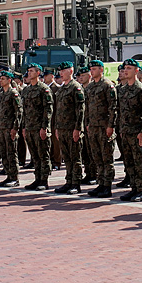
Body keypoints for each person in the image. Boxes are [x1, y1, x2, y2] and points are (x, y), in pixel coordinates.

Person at [116, 59, 142, 202]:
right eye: (125, 68)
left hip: (137, 133)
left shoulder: (141, 89)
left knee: (139, 163)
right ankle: (133, 188)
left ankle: (141, 190)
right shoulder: (124, 90)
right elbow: (120, 111)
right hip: (126, 132)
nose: (126, 70)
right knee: (129, 162)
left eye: (130, 68)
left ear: (136, 71)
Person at [85, 60, 118, 198]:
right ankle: (101, 183)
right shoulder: (90, 86)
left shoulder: (107, 85)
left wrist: (111, 125)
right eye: (91, 69)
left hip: (104, 127)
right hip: (93, 127)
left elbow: (113, 107)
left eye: (94, 69)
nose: (92, 71)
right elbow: (87, 107)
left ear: (101, 70)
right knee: (97, 157)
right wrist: (87, 123)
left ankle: (107, 186)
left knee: (106, 158)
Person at [53, 61, 85, 194]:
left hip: (72, 128)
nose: (61, 73)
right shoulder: (61, 89)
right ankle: (69, 181)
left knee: (75, 157)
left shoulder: (75, 87)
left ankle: (76, 183)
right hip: (62, 129)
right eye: (60, 71)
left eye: (63, 71)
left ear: (70, 71)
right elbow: (58, 111)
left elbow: (80, 110)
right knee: (66, 157)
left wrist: (78, 128)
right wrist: (56, 127)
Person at [21, 63, 54, 190]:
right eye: (28, 71)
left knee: (43, 155)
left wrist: (44, 127)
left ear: (38, 73)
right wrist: (24, 127)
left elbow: (48, 109)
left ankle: (44, 180)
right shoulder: (27, 90)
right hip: (30, 127)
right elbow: (24, 110)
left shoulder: (43, 89)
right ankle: (37, 178)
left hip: (40, 127)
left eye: (31, 71)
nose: (29, 73)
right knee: (34, 155)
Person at [0, 70, 23, 187]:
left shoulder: (13, 93)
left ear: (9, 80)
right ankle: (8, 175)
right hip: (1, 128)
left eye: (3, 79)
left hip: (10, 128)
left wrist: (15, 128)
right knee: (4, 153)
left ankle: (14, 177)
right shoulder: (1, 94)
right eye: (0, 79)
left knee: (12, 153)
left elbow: (19, 112)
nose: (0, 81)